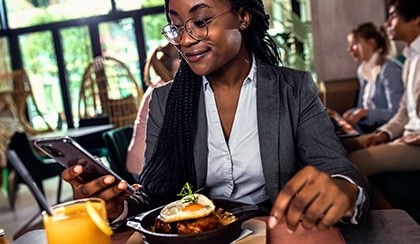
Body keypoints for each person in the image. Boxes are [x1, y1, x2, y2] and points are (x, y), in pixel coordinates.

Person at [62, 0, 369, 233]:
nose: (185, 39)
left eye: (200, 20)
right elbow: (155, 199)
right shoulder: (165, 100)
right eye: (177, 26)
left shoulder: (294, 89)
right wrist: (117, 207)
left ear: (243, 16)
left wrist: (342, 189)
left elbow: (340, 171)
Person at [344, 0, 420, 178]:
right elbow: (403, 111)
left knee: (356, 161)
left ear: (416, 19)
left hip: (416, 141)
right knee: (340, 148)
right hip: (407, 135)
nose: (387, 24)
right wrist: (385, 134)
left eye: (393, 16)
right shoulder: (410, 60)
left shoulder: (392, 67)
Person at [125, 43, 179, 179]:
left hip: (146, 162)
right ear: (177, 63)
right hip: (145, 167)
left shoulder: (161, 86)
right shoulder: (162, 91)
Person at [343, 22, 404, 133]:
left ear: (371, 43)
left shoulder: (389, 69)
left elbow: (397, 113)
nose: (350, 50)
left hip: (386, 130)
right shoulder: (363, 70)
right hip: (368, 127)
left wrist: (365, 113)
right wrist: (352, 113)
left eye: (356, 43)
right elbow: (362, 107)